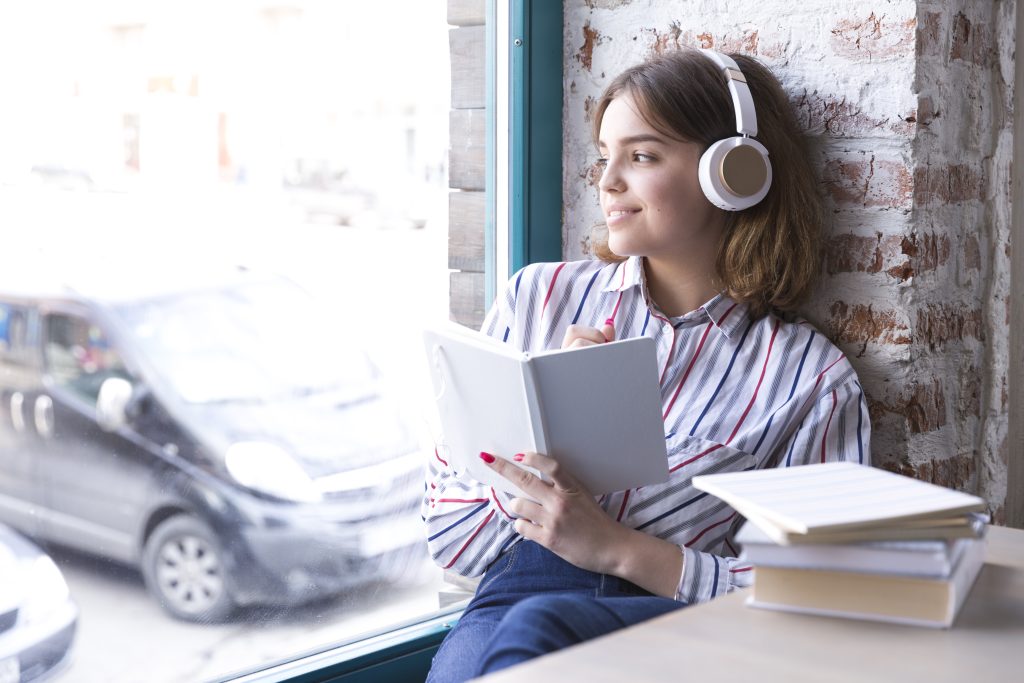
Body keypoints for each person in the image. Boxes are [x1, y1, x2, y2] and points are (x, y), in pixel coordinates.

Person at [422, 48, 871, 682]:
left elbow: (823, 592)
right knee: (512, 644)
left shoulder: (808, 379)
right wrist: (544, 440)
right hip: (508, 604)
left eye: (642, 156)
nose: (607, 183)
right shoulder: (537, 299)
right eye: (606, 157)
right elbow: (450, 539)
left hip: (678, 629)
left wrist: (621, 550)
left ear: (733, 172)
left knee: (533, 641)